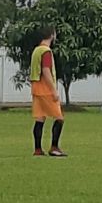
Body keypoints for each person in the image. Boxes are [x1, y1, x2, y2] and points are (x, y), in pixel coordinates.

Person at [29, 27, 67, 157]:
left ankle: (38, 149)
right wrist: (53, 90)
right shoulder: (46, 51)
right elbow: (46, 70)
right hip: (45, 89)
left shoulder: (36, 50)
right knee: (59, 117)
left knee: (40, 118)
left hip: (36, 88)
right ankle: (54, 147)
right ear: (52, 35)